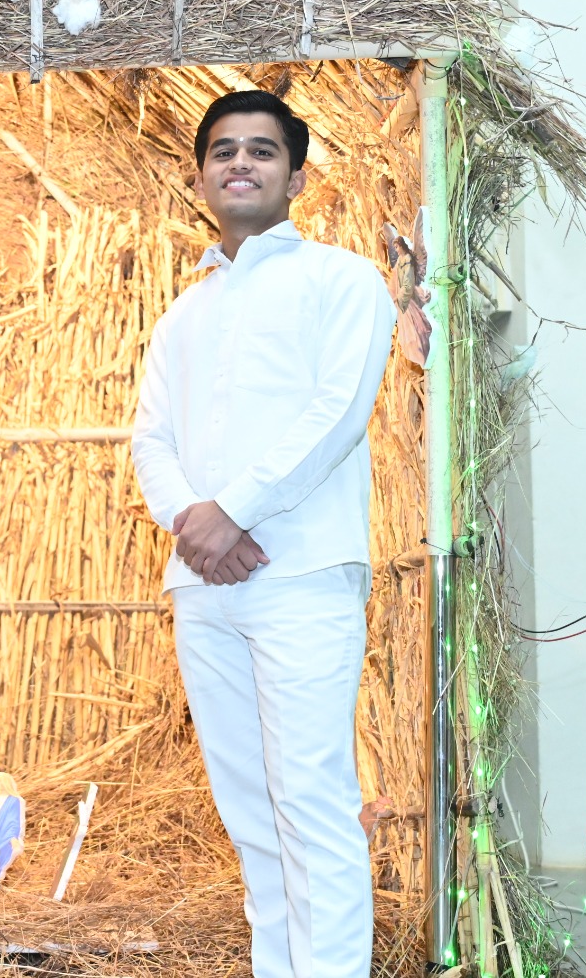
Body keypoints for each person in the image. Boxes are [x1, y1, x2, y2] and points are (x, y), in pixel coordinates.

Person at [131, 90, 396, 978]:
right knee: (250, 816)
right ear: (200, 176)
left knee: (311, 802)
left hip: (304, 574)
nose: (239, 163)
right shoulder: (183, 313)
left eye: (261, 150)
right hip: (202, 586)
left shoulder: (341, 280)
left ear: (297, 177)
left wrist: (233, 510)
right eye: (223, 151)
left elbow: (338, 412)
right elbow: (150, 440)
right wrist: (194, 523)